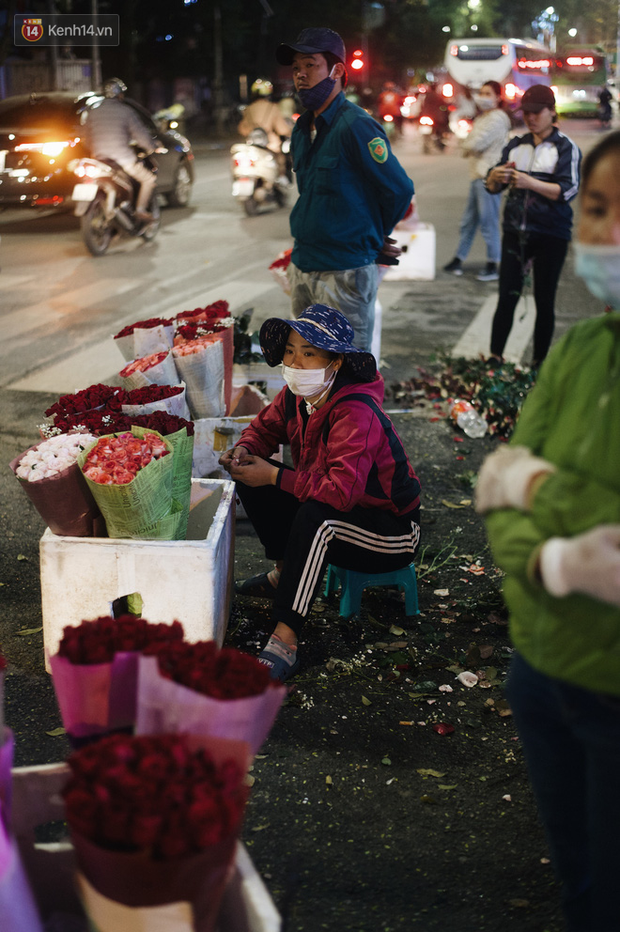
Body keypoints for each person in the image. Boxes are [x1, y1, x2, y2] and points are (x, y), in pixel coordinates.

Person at [475, 130, 620, 932]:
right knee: (578, 883)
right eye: (597, 209)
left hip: (613, 684)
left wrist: (541, 494)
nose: (606, 235)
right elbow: (500, 486)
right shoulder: (585, 346)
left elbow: (526, 482)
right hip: (541, 664)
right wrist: (557, 566)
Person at [219, 304, 421, 682]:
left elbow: (342, 495)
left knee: (317, 515)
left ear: (336, 362)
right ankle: (285, 573)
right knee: (254, 475)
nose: (296, 361)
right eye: (292, 350)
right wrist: (246, 449)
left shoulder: (355, 412)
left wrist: (275, 477)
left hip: (391, 532)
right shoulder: (298, 396)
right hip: (340, 509)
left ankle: (286, 638)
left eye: (309, 353)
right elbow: (264, 429)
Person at [275, 27, 414, 352]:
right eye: (296, 68)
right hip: (304, 265)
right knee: (309, 370)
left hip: (345, 271)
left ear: (337, 70)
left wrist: (373, 236)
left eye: (311, 65)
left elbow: (399, 189)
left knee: (346, 369)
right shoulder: (301, 128)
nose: (300, 75)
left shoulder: (356, 125)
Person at [485, 84, 582, 367]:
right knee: (507, 297)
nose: (530, 118)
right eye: (526, 113)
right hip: (516, 234)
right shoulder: (517, 144)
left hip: (552, 234)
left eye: (537, 112)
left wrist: (530, 182)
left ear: (552, 112)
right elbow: (492, 186)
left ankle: (539, 363)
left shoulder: (566, 148)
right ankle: (494, 359)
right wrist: (493, 177)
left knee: (544, 299)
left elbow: (567, 191)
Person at [443, 82, 511, 282]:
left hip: (489, 176)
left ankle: (493, 263)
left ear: (498, 97)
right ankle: (458, 258)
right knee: (468, 221)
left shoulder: (498, 118)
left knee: (488, 222)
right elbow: (470, 142)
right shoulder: (484, 117)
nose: (483, 96)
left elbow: (475, 142)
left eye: (488, 93)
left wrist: (466, 145)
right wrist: (467, 145)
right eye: (481, 92)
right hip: (477, 174)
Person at [84, 77, 158, 223]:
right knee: (149, 179)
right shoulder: (126, 111)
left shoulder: (93, 112)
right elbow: (141, 135)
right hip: (123, 159)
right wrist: (152, 147)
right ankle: (141, 210)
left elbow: (86, 136)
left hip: (100, 160)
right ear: (120, 95)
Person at [237, 78, 292, 181]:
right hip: (270, 145)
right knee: (281, 160)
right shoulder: (273, 107)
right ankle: (281, 179)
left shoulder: (248, 109)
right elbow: (283, 129)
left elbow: (242, 129)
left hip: (251, 145)